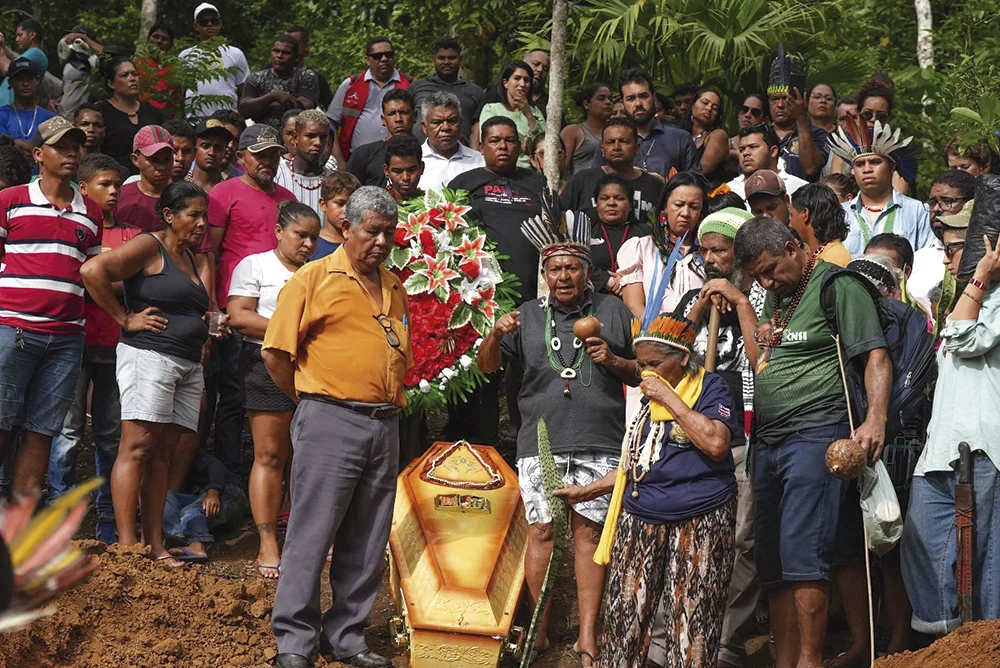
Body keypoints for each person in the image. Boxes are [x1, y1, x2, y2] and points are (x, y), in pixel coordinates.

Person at [719, 217, 890, 668]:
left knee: (803, 552)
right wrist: (742, 300)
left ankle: (809, 662)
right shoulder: (778, 298)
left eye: (772, 269)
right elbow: (762, 362)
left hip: (816, 432)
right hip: (768, 442)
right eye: (757, 276)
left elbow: (875, 353)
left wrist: (875, 418)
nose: (767, 281)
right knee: (772, 561)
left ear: (794, 247)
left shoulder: (838, 286)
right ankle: (786, 662)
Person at [477, 201, 638, 667]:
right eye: (554, 269)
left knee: (589, 535)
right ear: (544, 274)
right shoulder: (526, 314)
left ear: (586, 272)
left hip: (600, 438)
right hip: (539, 442)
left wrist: (613, 360)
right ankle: (540, 632)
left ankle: (588, 635)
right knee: (542, 531)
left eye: (572, 267)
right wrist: (493, 333)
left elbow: (639, 373)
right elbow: (489, 368)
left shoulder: (612, 310)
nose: (563, 276)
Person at [263, 186, 408, 668]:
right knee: (312, 530)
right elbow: (275, 354)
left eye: (389, 233)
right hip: (329, 417)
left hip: (384, 423)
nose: (382, 241)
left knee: (368, 536)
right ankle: (295, 642)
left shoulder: (393, 286)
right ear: (347, 227)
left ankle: (346, 635)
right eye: (372, 231)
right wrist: (311, 402)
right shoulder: (313, 277)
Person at [562, 312, 737, 667]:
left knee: (691, 619)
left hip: (698, 519)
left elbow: (716, 444)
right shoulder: (647, 397)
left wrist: (670, 399)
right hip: (641, 515)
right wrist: (589, 490)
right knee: (626, 616)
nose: (646, 373)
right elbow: (638, 463)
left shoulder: (711, 388)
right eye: (641, 365)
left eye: (654, 364)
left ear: (683, 359)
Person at [80, 181, 218, 569]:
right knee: (137, 448)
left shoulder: (189, 257)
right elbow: (92, 270)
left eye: (204, 215)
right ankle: (128, 548)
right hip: (150, 357)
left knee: (162, 455)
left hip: (187, 364)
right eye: (193, 215)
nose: (202, 223)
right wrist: (125, 318)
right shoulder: (148, 245)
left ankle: (154, 545)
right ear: (170, 216)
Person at [659, 207, 764, 668]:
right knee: (681, 533)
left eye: (719, 250)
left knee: (742, 540)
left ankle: (725, 642)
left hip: (746, 435)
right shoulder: (690, 300)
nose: (710, 258)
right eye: (704, 250)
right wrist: (699, 309)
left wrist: (740, 304)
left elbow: (765, 360)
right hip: (689, 436)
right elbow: (661, 351)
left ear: (740, 253)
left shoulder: (765, 295)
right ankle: (669, 640)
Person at [902, 198, 1000, 636]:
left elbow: (961, 337)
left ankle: (984, 647)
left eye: (957, 248)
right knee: (922, 546)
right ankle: (947, 645)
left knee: (985, 561)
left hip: (985, 448)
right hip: (942, 448)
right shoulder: (965, 298)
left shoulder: (989, 299)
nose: (946, 257)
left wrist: (980, 277)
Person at [0, 117, 101, 498]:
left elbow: (91, 273)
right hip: (13, 328)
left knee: (43, 431)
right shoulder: (10, 201)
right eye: (62, 146)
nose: (72, 152)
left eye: (76, 146)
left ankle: (21, 533)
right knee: (1, 424)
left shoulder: (90, 212)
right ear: (39, 155)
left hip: (66, 338)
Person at [47, 154, 139, 545]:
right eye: (105, 184)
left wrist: (95, 276)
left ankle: (107, 519)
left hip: (118, 347)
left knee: (109, 433)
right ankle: (58, 519)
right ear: (83, 188)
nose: (115, 191)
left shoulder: (133, 235)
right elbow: (69, 274)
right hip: (75, 342)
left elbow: (132, 282)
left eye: (118, 183)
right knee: (66, 432)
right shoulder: (73, 226)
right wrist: (102, 276)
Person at [197, 124, 294, 477]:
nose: (268, 161)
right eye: (260, 154)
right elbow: (210, 251)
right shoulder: (224, 194)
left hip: (280, 313)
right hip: (235, 309)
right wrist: (213, 307)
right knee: (233, 396)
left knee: (277, 397)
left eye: (274, 155)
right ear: (241, 157)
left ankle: (267, 472)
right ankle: (227, 475)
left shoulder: (287, 199)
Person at [228, 201, 319, 578]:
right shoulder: (255, 266)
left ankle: (306, 539)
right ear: (279, 231)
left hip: (314, 368)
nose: (309, 244)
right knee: (269, 455)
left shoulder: (319, 272)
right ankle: (267, 541)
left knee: (309, 457)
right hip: (265, 364)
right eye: (301, 235)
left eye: (314, 237)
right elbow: (239, 316)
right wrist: (289, 329)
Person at [449, 116, 545, 302]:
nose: (503, 146)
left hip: (534, 288)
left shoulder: (538, 182)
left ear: (519, 147)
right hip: (481, 290)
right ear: (481, 148)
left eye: (510, 141)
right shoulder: (464, 183)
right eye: (494, 141)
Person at [829, 120, 933, 256]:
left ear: (892, 167)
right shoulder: (840, 213)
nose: (867, 169)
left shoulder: (918, 210)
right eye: (860, 164)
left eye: (875, 162)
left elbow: (926, 258)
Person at [619, 172, 709, 317]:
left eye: (694, 207)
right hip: (652, 334)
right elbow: (634, 306)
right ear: (665, 206)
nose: (685, 213)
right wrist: (661, 334)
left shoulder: (708, 254)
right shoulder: (642, 248)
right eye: (678, 205)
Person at [594, 69, 700, 178]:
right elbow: (594, 182)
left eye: (643, 96)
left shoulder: (680, 139)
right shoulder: (610, 141)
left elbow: (697, 182)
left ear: (653, 98)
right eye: (630, 98)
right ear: (622, 103)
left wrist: (667, 185)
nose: (638, 103)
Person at [562, 117, 665, 226]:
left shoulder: (655, 186)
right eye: (610, 142)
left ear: (637, 148)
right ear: (602, 150)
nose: (616, 147)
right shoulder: (582, 180)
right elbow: (559, 218)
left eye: (623, 141)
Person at [327, 36, 412, 165]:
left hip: (402, 160)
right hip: (356, 160)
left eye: (388, 55)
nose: (384, 59)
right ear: (367, 60)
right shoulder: (351, 85)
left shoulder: (411, 85)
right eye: (378, 56)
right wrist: (339, 160)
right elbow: (331, 123)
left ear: (394, 58)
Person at [163, 446, 249, 563]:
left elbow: (216, 467)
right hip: (199, 495)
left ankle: (197, 545)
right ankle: (178, 536)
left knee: (192, 510)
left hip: (228, 491)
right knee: (166, 497)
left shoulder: (192, 453)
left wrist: (213, 491)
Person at [909, 169, 976, 311]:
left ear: (971, 204)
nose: (936, 209)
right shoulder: (917, 259)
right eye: (932, 202)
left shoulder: (987, 258)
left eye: (947, 201)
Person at [93, 55, 164, 177]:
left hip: (152, 178)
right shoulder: (100, 112)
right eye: (124, 75)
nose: (132, 79)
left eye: (134, 74)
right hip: (113, 178)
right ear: (111, 84)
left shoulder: (152, 112)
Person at [179, 3, 251, 119]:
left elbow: (243, 90)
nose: (210, 24)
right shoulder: (185, 56)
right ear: (196, 26)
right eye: (204, 22)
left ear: (220, 24)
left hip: (228, 119)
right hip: (194, 118)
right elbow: (179, 92)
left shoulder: (236, 53)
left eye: (214, 21)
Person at [409, 37, 484, 146]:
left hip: (462, 158)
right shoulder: (417, 87)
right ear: (433, 59)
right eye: (441, 58)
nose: (447, 62)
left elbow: (479, 130)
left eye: (452, 58)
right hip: (419, 155)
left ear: (460, 59)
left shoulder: (475, 92)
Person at [766, 52, 827, 182]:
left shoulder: (817, 133)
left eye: (786, 99)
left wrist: (801, 118)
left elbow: (811, 168)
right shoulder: (760, 133)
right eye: (775, 99)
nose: (780, 105)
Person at [588, 173, 652, 294]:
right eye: (605, 198)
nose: (611, 203)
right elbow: (577, 264)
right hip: (593, 302)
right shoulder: (586, 230)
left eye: (619, 198)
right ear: (596, 205)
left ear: (631, 205)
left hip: (635, 300)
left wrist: (628, 282)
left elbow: (653, 269)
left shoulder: (644, 233)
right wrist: (607, 280)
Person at [239, 34, 319, 129]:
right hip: (263, 135)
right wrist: (273, 96)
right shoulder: (256, 78)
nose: (279, 56)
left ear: (296, 57)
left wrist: (261, 107)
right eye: (276, 51)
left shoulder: (306, 77)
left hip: (295, 134)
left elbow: (303, 109)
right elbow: (244, 110)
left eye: (286, 53)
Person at [479, 60, 544, 168]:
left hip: (531, 173)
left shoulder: (535, 112)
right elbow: (489, 144)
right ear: (505, 83)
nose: (522, 84)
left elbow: (543, 146)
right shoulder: (491, 110)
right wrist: (522, 148)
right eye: (517, 78)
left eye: (526, 80)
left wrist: (528, 114)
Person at [345, 89, 415, 187]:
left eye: (403, 112)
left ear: (414, 116)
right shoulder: (363, 155)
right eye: (391, 114)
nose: (398, 119)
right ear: (383, 120)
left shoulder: (427, 153)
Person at [418, 91, 484, 191]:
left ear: (461, 123)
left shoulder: (479, 161)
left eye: (452, 121)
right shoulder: (413, 163)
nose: (445, 127)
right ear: (424, 127)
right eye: (437, 122)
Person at [274, 109, 332, 223]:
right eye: (311, 136)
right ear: (295, 137)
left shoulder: (333, 180)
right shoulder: (277, 175)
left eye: (323, 137)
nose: (318, 143)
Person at [115, 125, 175, 233]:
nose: (162, 167)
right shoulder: (119, 197)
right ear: (135, 159)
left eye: (166, 159)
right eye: (154, 160)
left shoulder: (185, 197)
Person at [728, 122, 808, 200]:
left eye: (753, 147)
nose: (745, 153)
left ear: (773, 151)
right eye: (742, 149)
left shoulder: (800, 189)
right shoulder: (728, 191)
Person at [0, 57, 56, 158]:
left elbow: (55, 151)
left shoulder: (51, 119)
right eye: (20, 79)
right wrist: (38, 148)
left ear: (37, 80)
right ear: (10, 82)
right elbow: (3, 149)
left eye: (29, 78)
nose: (25, 84)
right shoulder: (2, 114)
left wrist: (19, 144)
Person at [789, 182, 852, 266]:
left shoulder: (832, 260)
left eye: (791, 216)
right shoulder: (822, 254)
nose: (790, 224)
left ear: (805, 214)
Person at [679, 87, 729, 183]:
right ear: (693, 105)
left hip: (706, 193)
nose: (709, 108)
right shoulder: (679, 133)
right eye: (705, 103)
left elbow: (701, 172)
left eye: (715, 108)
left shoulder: (718, 135)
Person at [562, 83, 613, 175]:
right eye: (601, 98)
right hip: (582, 186)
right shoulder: (573, 131)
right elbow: (561, 168)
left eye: (610, 99)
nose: (608, 102)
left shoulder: (614, 132)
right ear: (586, 104)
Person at [57, 25, 103, 121]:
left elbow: (109, 55)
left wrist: (85, 38)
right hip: (62, 115)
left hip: (78, 118)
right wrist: (56, 101)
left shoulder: (92, 61)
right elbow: (69, 90)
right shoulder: (69, 62)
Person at [313, 171, 360, 260]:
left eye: (352, 204)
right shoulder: (312, 243)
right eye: (340, 204)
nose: (346, 210)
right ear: (323, 204)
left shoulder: (359, 242)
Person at [0, 19, 48, 108]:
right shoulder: (26, 55)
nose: (17, 39)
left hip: (13, 110)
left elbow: (7, 69)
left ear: (32, 35)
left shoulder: (36, 53)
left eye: (20, 35)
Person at [135, 22, 181, 114]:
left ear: (171, 45)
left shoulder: (175, 69)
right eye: (155, 37)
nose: (159, 41)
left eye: (165, 39)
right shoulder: (137, 62)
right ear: (148, 40)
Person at [285, 26, 333, 111]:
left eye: (294, 45)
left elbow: (332, 113)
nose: (289, 49)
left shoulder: (317, 79)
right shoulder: (268, 74)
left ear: (306, 46)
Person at [188, 117, 233, 193]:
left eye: (218, 148)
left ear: (224, 153)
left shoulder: (231, 190)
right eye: (205, 146)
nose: (211, 153)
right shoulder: (180, 184)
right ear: (194, 150)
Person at [384, 133, 425, 202]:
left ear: (421, 168)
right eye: (397, 171)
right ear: (386, 171)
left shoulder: (435, 207)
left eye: (412, 170)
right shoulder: (375, 209)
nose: (405, 178)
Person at [729, 94, 769, 158]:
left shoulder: (767, 147)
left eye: (755, 112)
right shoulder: (727, 144)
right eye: (744, 110)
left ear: (764, 120)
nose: (747, 115)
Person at [210, 109, 246, 180]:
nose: (231, 145)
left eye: (237, 141)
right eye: (227, 138)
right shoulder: (185, 170)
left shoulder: (242, 181)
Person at [163, 119, 196, 183]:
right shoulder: (139, 189)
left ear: (194, 154)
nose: (180, 158)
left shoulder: (196, 191)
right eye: (173, 151)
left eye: (187, 151)